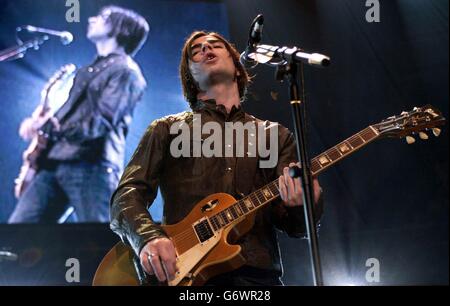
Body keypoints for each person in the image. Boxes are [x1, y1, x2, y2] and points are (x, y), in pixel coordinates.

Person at [110, 31, 323, 286]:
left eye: (215, 45)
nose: (206, 49)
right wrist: (148, 238)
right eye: (196, 51)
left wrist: (303, 204)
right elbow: (126, 196)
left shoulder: (275, 136)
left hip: (258, 280)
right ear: (190, 76)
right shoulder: (166, 129)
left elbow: (296, 228)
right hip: (187, 277)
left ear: (237, 67)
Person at [8, 6, 149, 223]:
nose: (92, 19)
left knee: (96, 242)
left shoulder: (127, 72)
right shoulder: (89, 69)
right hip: (55, 161)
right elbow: (69, 115)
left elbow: (101, 121)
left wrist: (54, 127)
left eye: (103, 17)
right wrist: (43, 124)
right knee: (20, 230)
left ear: (124, 30)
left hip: (91, 167)